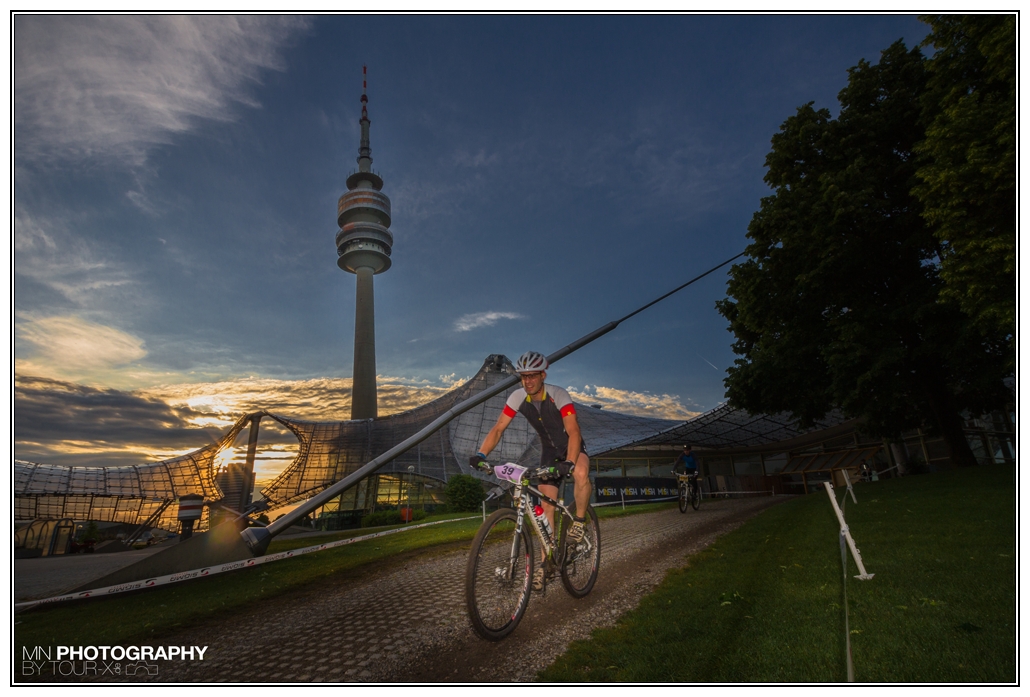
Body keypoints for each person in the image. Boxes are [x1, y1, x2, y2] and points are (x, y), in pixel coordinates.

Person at [470, 351, 591, 591]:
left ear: (543, 375)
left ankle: (579, 521)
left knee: (580, 473)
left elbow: (574, 431)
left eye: (532, 376)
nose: (527, 382)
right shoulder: (517, 397)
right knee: (547, 507)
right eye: (523, 377)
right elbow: (498, 428)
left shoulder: (558, 395)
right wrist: (481, 454)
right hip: (549, 452)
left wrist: (569, 460)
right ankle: (547, 565)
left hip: (571, 448)